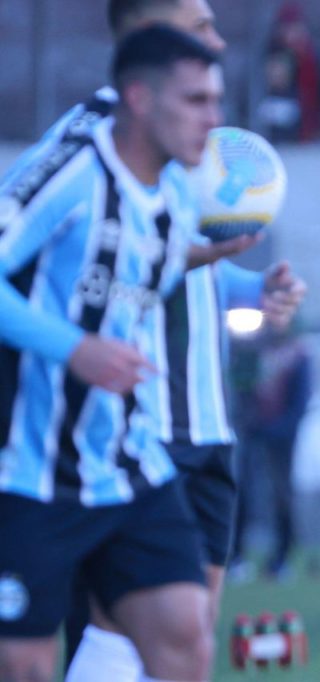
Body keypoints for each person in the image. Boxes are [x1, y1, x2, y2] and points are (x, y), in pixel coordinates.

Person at [57, 2, 308, 678]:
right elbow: (73, 270)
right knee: (120, 635)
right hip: (132, 427)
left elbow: (178, 271)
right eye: (201, 27)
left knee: (189, 642)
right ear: (148, 33)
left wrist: (254, 291)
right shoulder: (96, 139)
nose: (219, 40)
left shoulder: (190, 135)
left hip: (208, 425)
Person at [0, 26, 221, 682]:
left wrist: (247, 282)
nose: (213, 118)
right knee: (26, 665)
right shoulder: (71, 171)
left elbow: (153, 279)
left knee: (185, 633)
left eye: (215, 100)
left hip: (128, 465)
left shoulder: (178, 196)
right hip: (29, 472)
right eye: (195, 100)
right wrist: (73, 349)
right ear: (140, 99)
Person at [230, 320, 311, 580]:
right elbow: (241, 388)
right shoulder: (252, 351)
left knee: (281, 494)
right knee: (243, 490)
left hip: (282, 436)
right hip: (253, 432)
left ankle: (281, 558)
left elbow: (300, 400)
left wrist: (279, 428)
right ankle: (236, 556)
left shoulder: (299, 355)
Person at [257, 2, 320, 143]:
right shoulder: (270, 51)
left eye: (296, 28)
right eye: (287, 28)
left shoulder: (311, 57)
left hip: (307, 131)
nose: (292, 33)